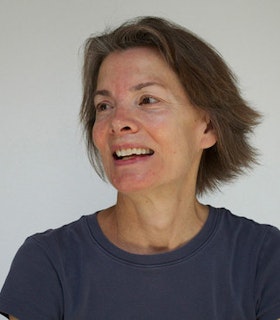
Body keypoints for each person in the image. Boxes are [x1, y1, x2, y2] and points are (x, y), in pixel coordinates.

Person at [0, 16, 279, 320]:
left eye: (147, 99)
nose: (117, 122)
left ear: (208, 127)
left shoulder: (264, 259)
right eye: (104, 106)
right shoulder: (47, 264)